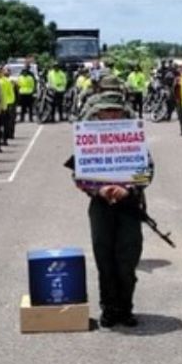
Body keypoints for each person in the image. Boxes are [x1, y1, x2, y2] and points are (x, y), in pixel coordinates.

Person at [75, 91, 149, 328]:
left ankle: (125, 308)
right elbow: (79, 172)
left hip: (129, 206)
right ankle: (109, 308)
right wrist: (99, 189)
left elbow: (147, 169)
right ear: (98, 114)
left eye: (116, 111)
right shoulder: (87, 137)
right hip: (101, 206)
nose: (111, 115)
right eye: (107, 111)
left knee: (127, 260)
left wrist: (128, 189)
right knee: (104, 260)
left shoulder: (133, 137)